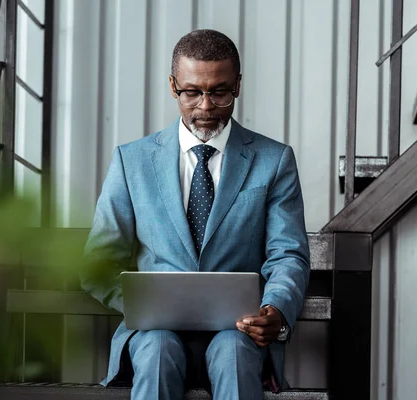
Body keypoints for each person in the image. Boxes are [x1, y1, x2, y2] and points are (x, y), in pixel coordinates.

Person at [80, 29, 310, 400]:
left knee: (233, 351)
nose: (205, 107)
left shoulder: (273, 160)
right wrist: (143, 306)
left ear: (237, 85)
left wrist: (276, 309)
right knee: (156, 349)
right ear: (173, 86)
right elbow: (98, 263)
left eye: (219, 92)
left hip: (239, 333)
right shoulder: (132, 161)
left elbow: (288, 253)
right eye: (192, 92)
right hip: (154, 335)